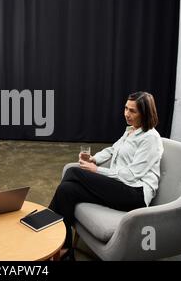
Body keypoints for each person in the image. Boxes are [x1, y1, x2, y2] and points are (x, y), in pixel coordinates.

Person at [49, 91, 163, 260]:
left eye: (133, 111)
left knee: (73, 172)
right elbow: (112, 150)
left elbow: (132, 175)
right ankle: (64, 250)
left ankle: (45, 227)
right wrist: (93, 159)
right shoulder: (131, 131)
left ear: (145, 113)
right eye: (125, 108)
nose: (126, 114)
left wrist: (97, 170)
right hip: (119, 186)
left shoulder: (150, 138)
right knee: (67, 190)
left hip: (135, 193)